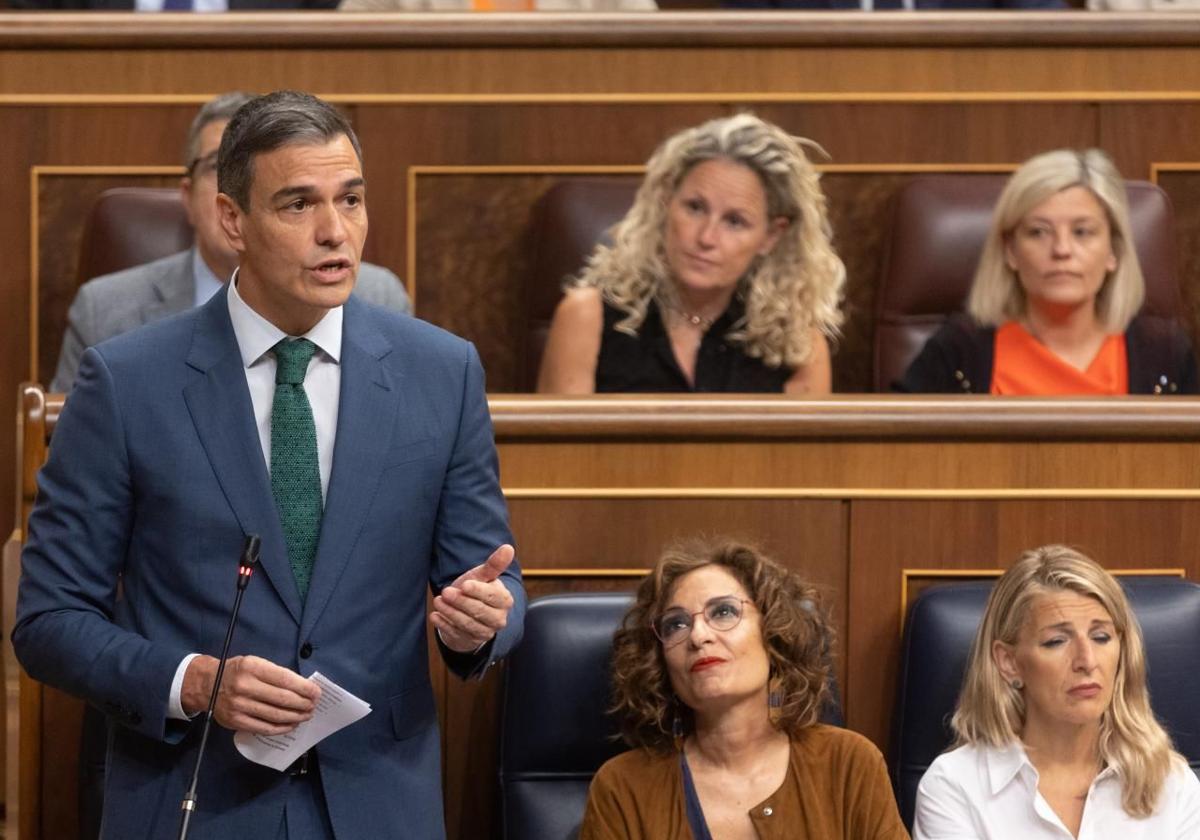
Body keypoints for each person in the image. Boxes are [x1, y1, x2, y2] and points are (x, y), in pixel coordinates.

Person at [14, 90, 525, 839]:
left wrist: (478, 623)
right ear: (232, 221)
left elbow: (491, 585)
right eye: (297, 205)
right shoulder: (128, 383)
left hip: (376, 806)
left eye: (351, 200)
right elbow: (48, 621)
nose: (334, 232)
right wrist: (194, 683)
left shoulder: (441, 373)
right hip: (196, 800)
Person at [51, 91, 411, 393]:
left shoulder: (383, 301)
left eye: (350, 200)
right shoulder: (107, 316)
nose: (333, 231)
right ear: (228, 214)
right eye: (215, 167)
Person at [580, 538, 908, 839]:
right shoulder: (622, 788)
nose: (698, 636)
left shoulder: (850, 763)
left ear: (774, 633)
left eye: (723, 612)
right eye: (676, 623)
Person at [537, 114, 844, 395]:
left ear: (770, 236)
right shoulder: (586, 316)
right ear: (666, 203)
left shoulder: (797, 342)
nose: (706, 237)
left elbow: (800, 458)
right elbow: (561, 455)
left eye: (735, 221)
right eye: (695, 208)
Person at [914, 545, 1200, 839]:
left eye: (1101, 637)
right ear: (1009, 662)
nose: (1087, 661)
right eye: (1056, 641)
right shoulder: (954, 788)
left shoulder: (1173, 787)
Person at [895, 149, 1198, 395]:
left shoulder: (1164, 354)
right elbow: (895, 455)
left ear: (1113, 252)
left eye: (1082, 232)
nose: (1061, 250)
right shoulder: (959, 350)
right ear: (1011, 251)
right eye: (1039, 232)